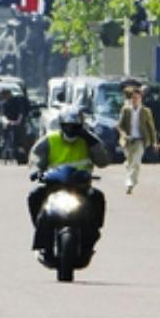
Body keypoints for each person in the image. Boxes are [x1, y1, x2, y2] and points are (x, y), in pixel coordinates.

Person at [25, 105, 117, 253]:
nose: (71, 130)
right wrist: (36, 171)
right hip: (54, 186)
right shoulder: (50, 139)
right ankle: (41, 234)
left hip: (81, 187)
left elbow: (103, 161)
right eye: (67, 126)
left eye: (75, 127)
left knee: (97, 197)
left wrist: (90, 140)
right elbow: (36, 157)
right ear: (61, 125)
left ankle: (93, 232)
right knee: (34, 195)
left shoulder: (89, 140)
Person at [114, 84, 157, 195]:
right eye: (133, 98)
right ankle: (129, 170)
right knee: (129, 163)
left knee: (136, 163)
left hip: (140, 140)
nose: (135, 100)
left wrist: (154, 142)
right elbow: (119, 126)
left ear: (140, 99)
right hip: (128, 141)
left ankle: (130, 183)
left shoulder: (146, 111)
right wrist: (124, 135)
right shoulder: (126, 110)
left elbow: (151, 128)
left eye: (137, 98)